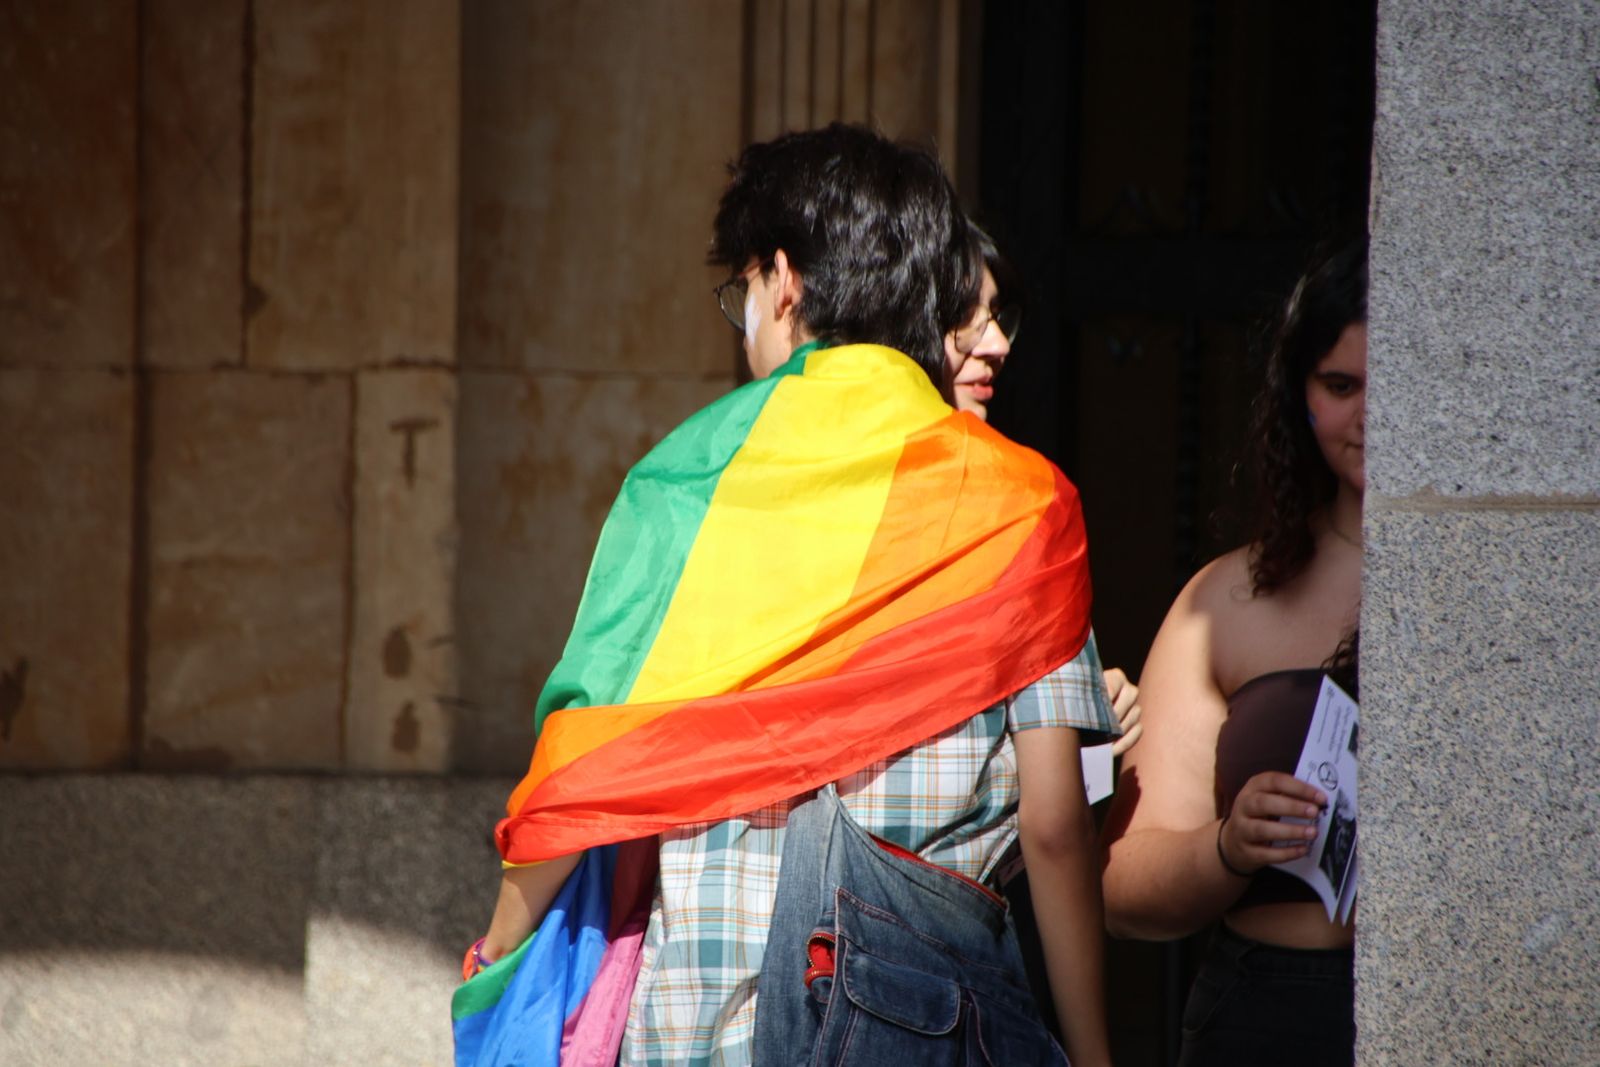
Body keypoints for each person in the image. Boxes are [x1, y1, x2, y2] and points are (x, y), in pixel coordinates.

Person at [465, 124, 1119, 1067]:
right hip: (918, 1029)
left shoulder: (682, 481)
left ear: (785, 281)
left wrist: (496, 964)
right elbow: (1056, 824)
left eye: (743, 295)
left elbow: (579, 770)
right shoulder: (1023, 503)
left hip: (698, 1031)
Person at [1098, 238, 1368, 1065]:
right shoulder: (1226, 598)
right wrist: (1228, 845)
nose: (1371, 413)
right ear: (1299, 397)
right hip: (1264, 1008)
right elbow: (1124, 886)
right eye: (1341, 385)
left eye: (1399, 380)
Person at [942, 221, 1143, 758]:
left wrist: (1078, 720)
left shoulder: (1019, 500)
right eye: (965, 317)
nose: (998, 344)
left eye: (997, 316)